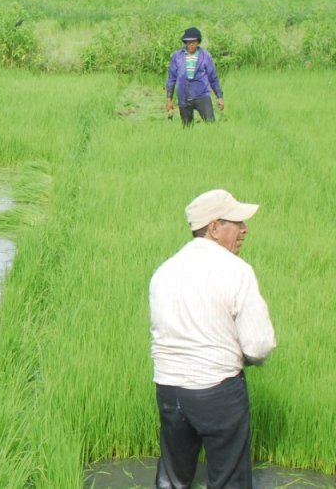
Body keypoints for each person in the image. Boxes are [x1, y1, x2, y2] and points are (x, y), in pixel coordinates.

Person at [149, 189, 276, 489]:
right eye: (237, 222)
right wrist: (246, 356)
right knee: (229, 481)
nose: (245, 230)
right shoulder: (236, 271)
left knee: (172, 479)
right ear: (214, 227)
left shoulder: (164, 272)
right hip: (217, 392)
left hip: (168, 390)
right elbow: (259, 345)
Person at [166, 27, 223, 125]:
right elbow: (171, 79)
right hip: (183, 96)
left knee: (211, 125)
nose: (191, 44)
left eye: (194, 42)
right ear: (185, 42)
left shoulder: (206, 56)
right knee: (187, 127)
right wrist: (169, 99)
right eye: (188, 42)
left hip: (202, 95)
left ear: (198, 42)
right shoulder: (177, 56)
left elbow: (213, 78)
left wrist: (219, 97)